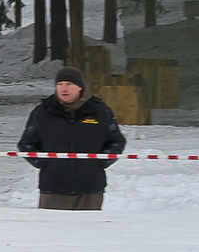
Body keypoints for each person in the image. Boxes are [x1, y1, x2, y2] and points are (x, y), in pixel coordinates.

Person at [18, 65, 126, 210]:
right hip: (53, 189)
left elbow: (116, 141)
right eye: (60, 84)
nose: (64, 89)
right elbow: (26, 144)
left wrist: (100, 163)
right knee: (52, 231)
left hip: (90, 189)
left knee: (89, 230)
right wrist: (45, 164)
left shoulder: (99, 111)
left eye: (69, 84)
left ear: (80, 87)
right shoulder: (43, 112)